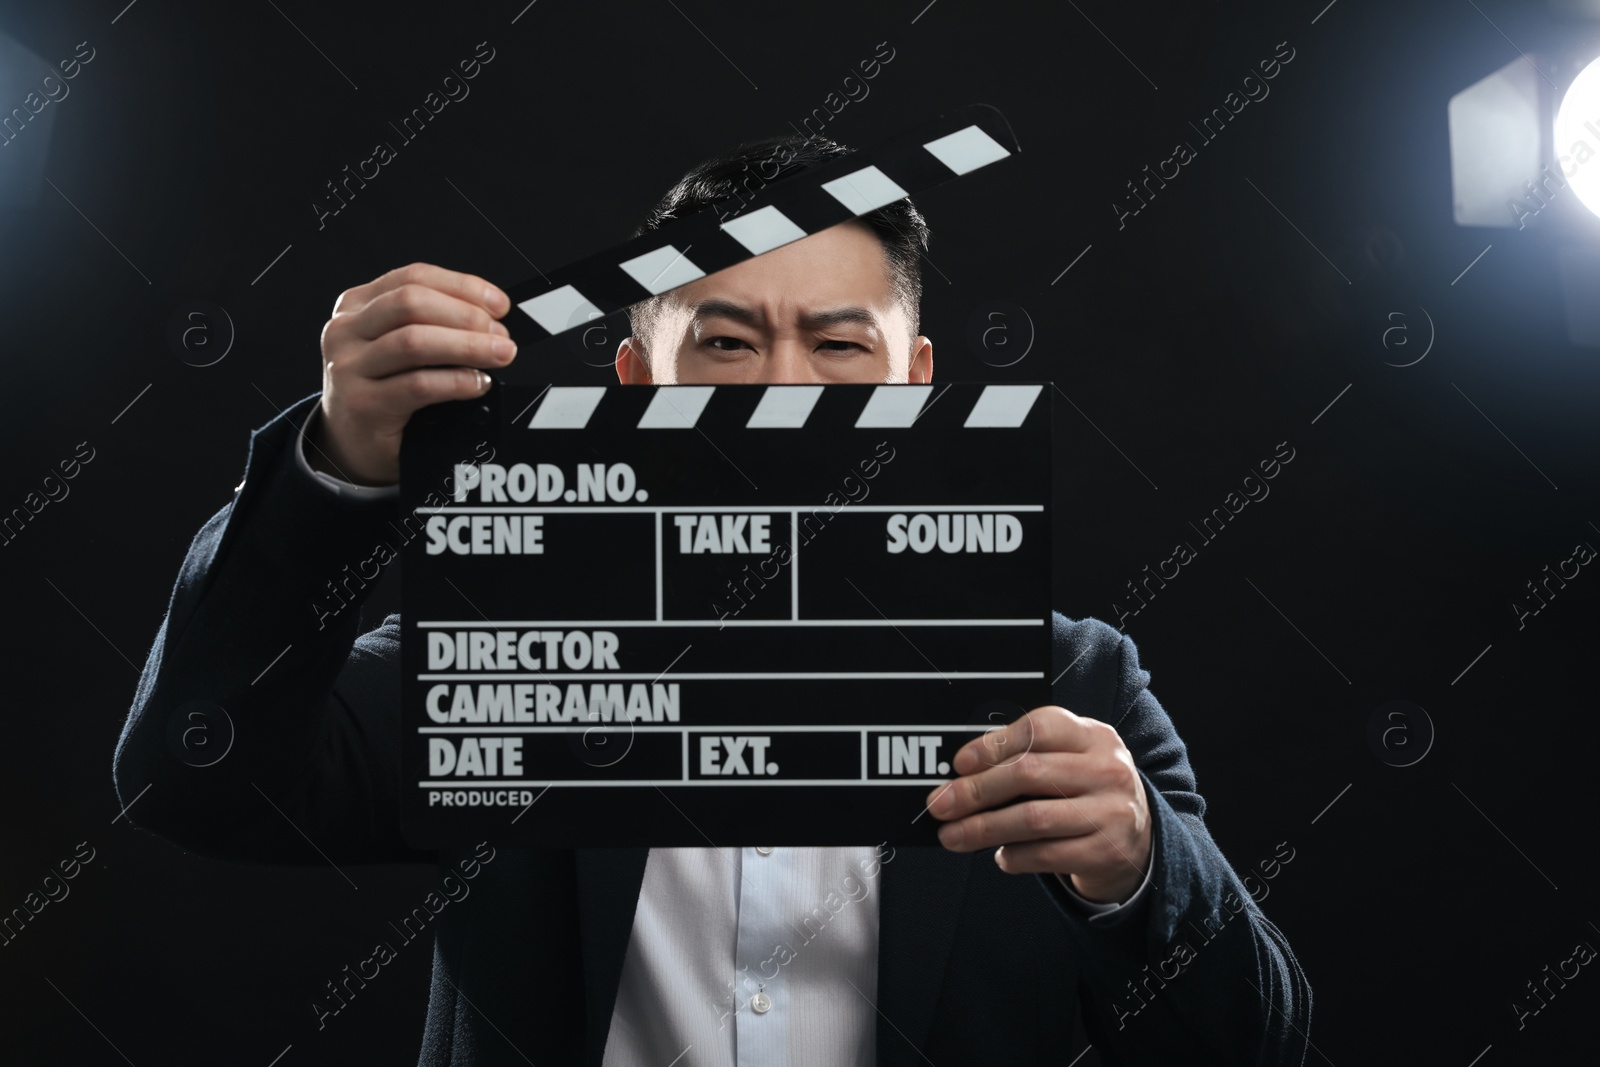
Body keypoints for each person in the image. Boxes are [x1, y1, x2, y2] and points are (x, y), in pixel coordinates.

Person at [113, 134, 1312, 1066]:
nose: (781, 388)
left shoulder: (1074, 682)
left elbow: (1253, 1042)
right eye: (726, 345)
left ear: (916, 379)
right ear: (636, 381)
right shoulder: (515, 652)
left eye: (839, 347)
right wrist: (337, 466)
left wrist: (1145, 870)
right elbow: (197, 777)